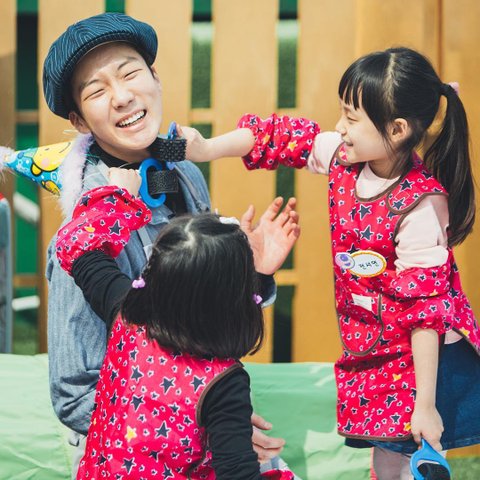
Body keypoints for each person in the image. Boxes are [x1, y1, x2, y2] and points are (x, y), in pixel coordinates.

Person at [180, 47, 480, 479]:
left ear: (396, 130)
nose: (339, 127)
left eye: (352, 118)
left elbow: (426, 314)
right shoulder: (345, 156)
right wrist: (207, 149)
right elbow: (276, 138)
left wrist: (427, 405)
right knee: (386, 454)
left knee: (411, 451)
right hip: (375, 344)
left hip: (422, 356)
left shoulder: (419, 207)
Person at [43, 12, 298, 477]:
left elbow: (203, 320)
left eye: (130, 73)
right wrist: (201, 423)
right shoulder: (85, 233)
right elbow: (74, 393)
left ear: (155, 76)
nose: (122, 96)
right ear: (79, 120)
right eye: (97, 91)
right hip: (120, 442)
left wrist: (254, 275)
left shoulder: (184, 172)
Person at [54, 167, 297, 479]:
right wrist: (256, 275)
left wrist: (117, 198)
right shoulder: (223, 383)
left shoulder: (127, 316)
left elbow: (79, 246)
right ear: (235, 302)